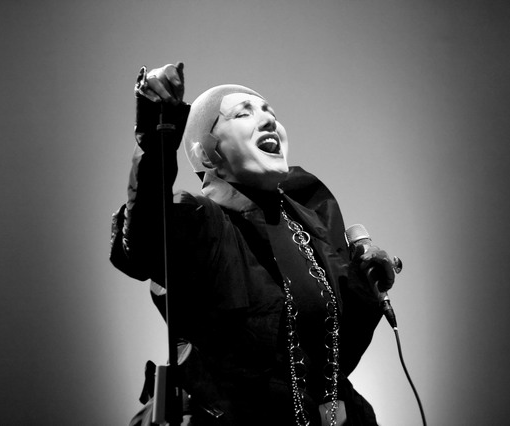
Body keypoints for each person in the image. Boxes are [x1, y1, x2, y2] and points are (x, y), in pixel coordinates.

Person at [110, 62, 398, 426]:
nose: (267, 121)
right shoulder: (200, 221)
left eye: (270, 113)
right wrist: (157, 135)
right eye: (243, 114)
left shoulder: (313, 228)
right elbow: (142, 245)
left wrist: (366, 286)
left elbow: (332, 352)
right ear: (207, 154)